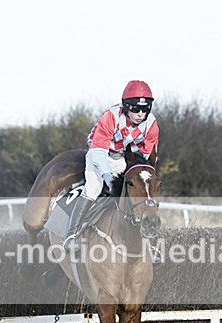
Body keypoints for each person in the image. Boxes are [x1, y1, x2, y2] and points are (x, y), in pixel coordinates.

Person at [62, 80, 160, 251]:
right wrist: (107, 176)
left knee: (140, 189)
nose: (140, 113)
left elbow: (145, 156)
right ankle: (71, 234)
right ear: (126, 106)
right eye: (135, 108)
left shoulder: (151, 124)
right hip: (100, 154)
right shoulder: (111, 117)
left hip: (122, 157)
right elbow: (98, 152)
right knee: (93, 187)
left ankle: (150, 243)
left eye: (145, 108)